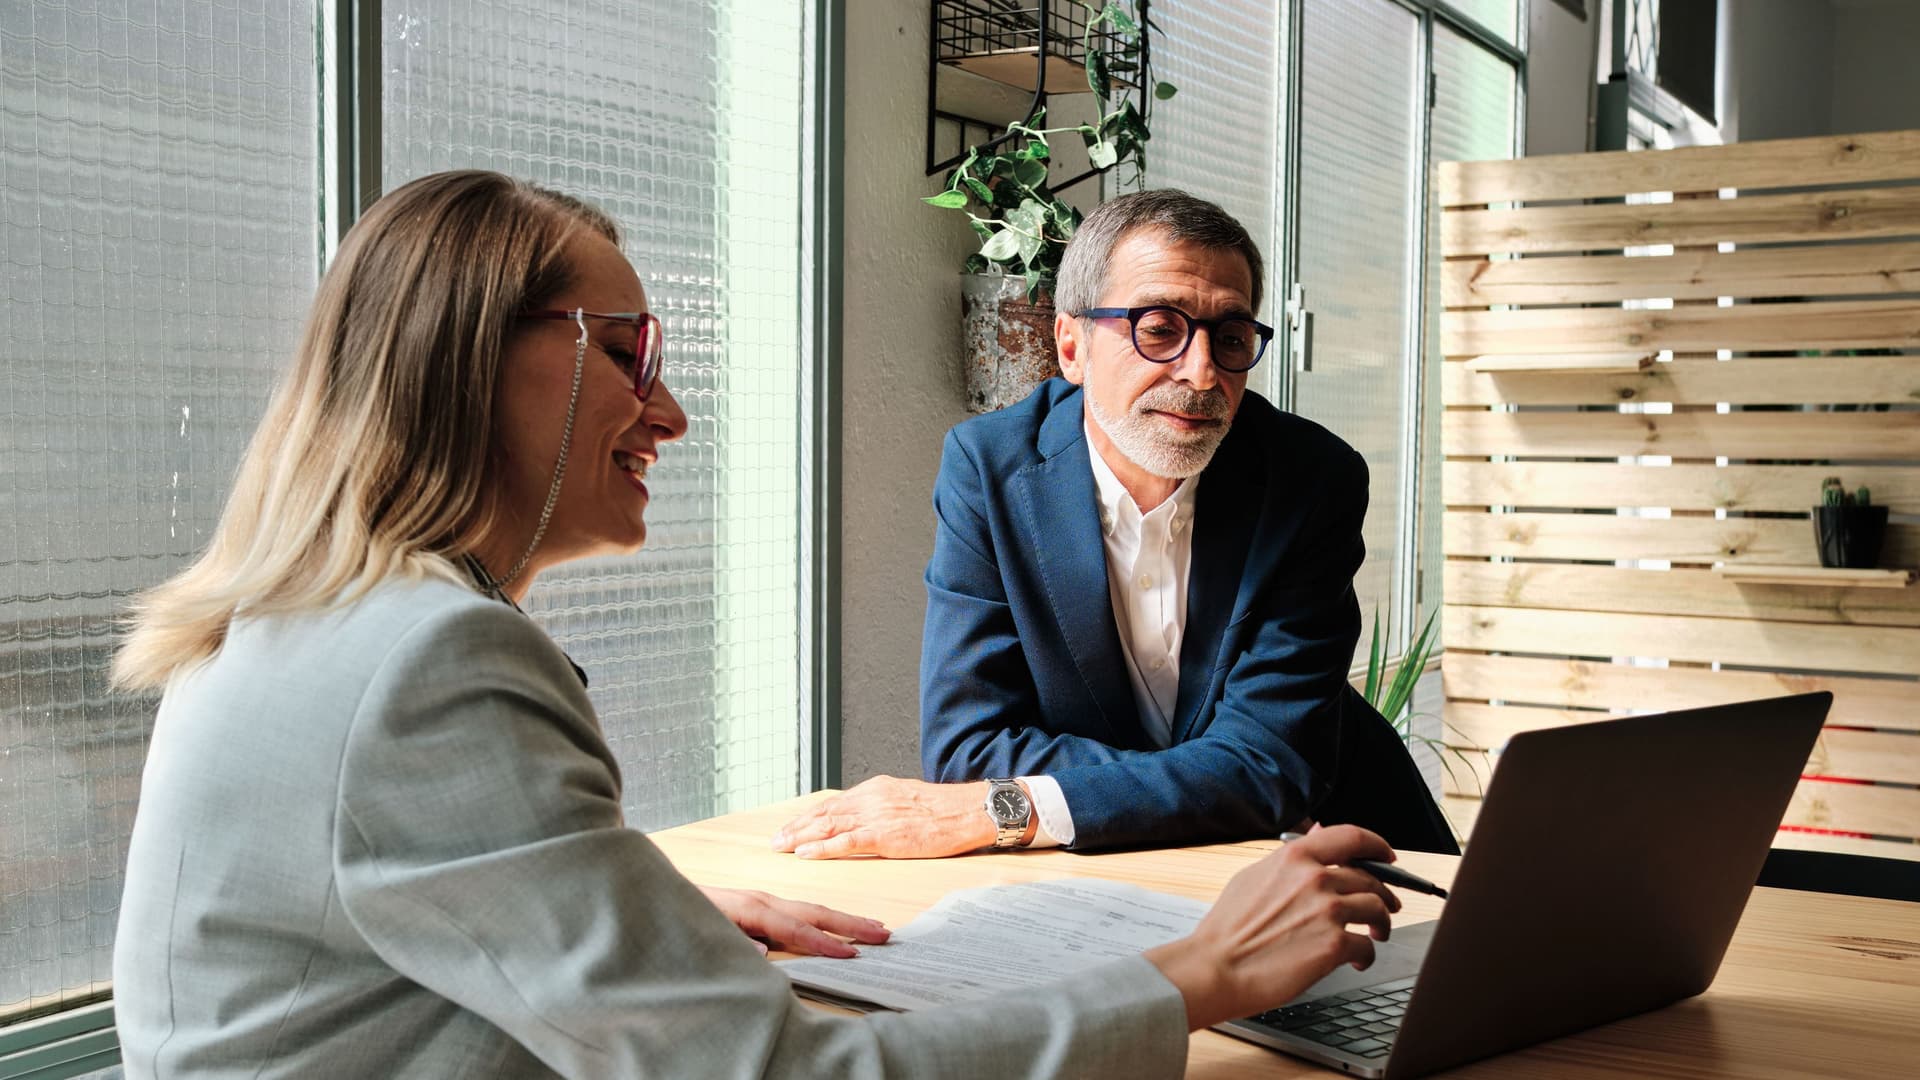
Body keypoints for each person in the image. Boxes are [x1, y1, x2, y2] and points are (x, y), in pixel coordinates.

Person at [109, 171, 1401, 1078]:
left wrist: (628, 913)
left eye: (1233, 336)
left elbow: (380, 928)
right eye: (629, 354)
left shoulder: (319, 625)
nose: (668, 416)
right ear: (466, 357)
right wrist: (1197, 979)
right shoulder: (431, 662)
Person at [776, 189, 1375, 859]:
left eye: (1230, 337)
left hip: (1299, 854)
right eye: (1159, 328)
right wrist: (1194, 781)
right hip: (1077, 877)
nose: (1203, 373)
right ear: (1071, 345)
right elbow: (968, 746)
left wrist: (1020, 805)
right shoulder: (989, 471)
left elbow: (1269, 763)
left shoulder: (1312, 480)